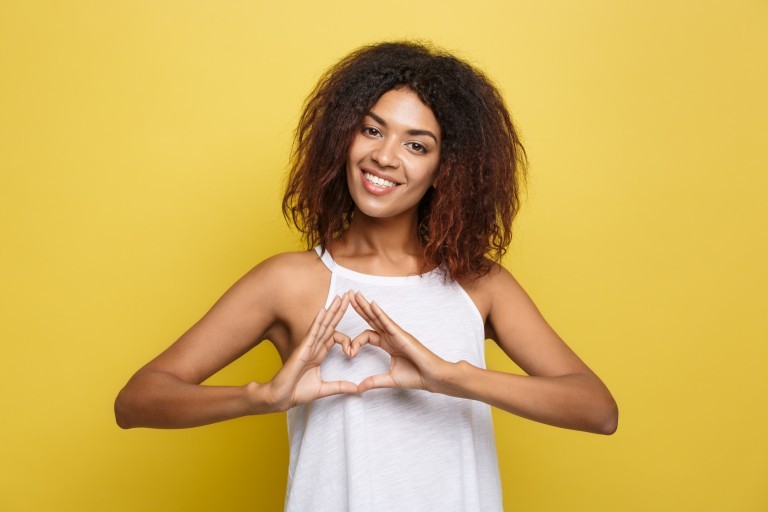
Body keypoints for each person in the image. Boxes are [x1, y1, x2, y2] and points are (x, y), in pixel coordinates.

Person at [115, 41, 618, 511]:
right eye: (373, 130)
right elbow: (137, 400)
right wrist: (261, 397)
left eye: (417, 145)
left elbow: (597, 410)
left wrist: (453, 377)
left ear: (447, 168)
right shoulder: (288, 282)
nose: (384, 156)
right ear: (343, 136)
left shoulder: (480, 284)